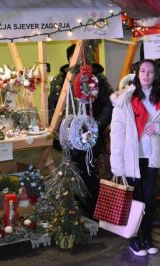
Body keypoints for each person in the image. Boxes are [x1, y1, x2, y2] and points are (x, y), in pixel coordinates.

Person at [110, 59, 160, 257]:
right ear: (137, 74)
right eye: (142, 71)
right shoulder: (125, 99)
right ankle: (134, 238)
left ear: (155, 75)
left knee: (148, 199)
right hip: (131, 156)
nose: (146, 75)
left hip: (151, 155)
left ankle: (147, 236)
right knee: (134, 199)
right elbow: (117, 132)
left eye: (150, 72)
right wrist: (117, 163)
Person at [49, 43, 113, 218]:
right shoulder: (60, 80)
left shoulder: (98, 79)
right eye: (73, 58)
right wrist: (59, 132)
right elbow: (53, 108)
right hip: (68, 138)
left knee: (90, 172)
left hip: (91, 136)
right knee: (70, 172)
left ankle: (92, 211)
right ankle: (73, 213)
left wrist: (97, 125)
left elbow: (108, 105)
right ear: (69, 60)